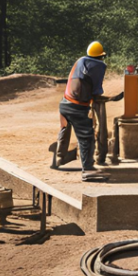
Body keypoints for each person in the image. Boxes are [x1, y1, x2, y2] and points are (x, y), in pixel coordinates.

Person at [58, 42, 110, 182]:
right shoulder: (99, 66)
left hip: (64, 103)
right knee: (86, 137)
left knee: (65, 129)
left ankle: (60, 156)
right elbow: (96, 90)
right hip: (77, 107)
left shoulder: (80, 61)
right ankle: (87, 170)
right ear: (101, 56)